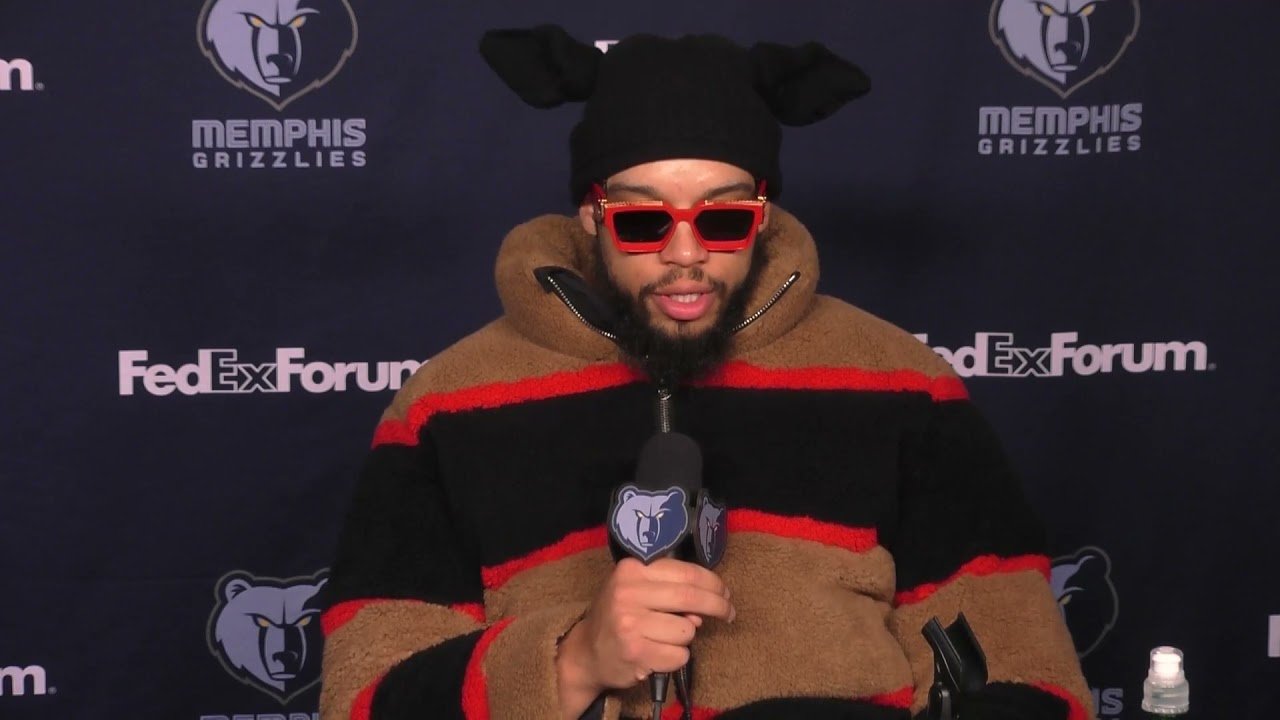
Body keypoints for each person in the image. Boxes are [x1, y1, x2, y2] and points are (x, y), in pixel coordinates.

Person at [318, 25, 1093, 720]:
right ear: (592, 215)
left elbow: (1029, 672)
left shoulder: (902, 383)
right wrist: (572, 661)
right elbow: (364, 692)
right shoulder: (447, 403)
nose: (686, 255)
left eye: (723, 219)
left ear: (762, 215)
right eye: (644, 218)